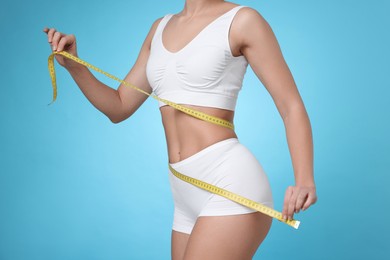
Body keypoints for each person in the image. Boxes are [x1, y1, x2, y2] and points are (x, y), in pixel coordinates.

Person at [43, 0, 317, 259]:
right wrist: (74, 66)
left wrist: (304, 179)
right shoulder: (160, 27)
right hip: (183, 192)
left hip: (228, 179)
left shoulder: (242, 20)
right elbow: (119, 106)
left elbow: (290, 105)